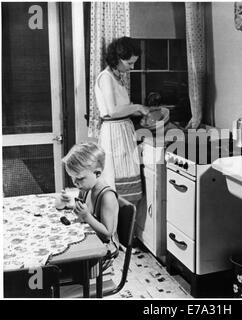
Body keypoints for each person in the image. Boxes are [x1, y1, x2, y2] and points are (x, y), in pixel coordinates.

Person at [95, 36, 148, 204]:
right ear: (117, 58)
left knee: (125, 192)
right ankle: (114, 229)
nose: (132, 67)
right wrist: (137, 107)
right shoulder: (106, 78)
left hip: (123, 131)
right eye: (129, 63)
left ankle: (124, 228)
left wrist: (135, 111)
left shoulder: (116, 77)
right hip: (114, 135)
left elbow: (121, 109)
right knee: (116, 184)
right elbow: (112, 111)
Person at [57, 142, 119, 270]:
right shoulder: (86, 187)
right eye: (72, 177)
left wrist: (86, 216)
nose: (75, 182)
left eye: (79, 178)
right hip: (91, 242)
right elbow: (86, 211)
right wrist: (68, 204)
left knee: (60, 267)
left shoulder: (107, 196)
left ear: (97, 173)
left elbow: (107, 234)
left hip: (103, 253)